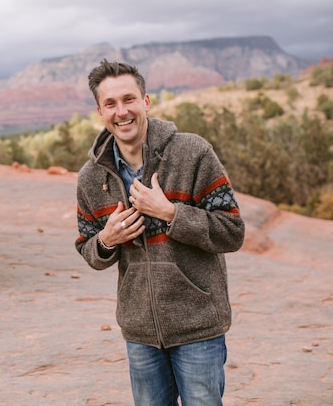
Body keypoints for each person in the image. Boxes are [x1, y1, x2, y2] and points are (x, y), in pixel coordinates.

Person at [75, 59, 245, 406]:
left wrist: (170, 213)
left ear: (146, 102)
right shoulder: (91, 178)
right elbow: (87, 247)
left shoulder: (192, 153)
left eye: (129, 100)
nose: (121, 112)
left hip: (198, 326)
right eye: (111, 104)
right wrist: (107, 240)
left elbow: (232, 231)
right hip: (140, 334)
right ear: (100, 111)